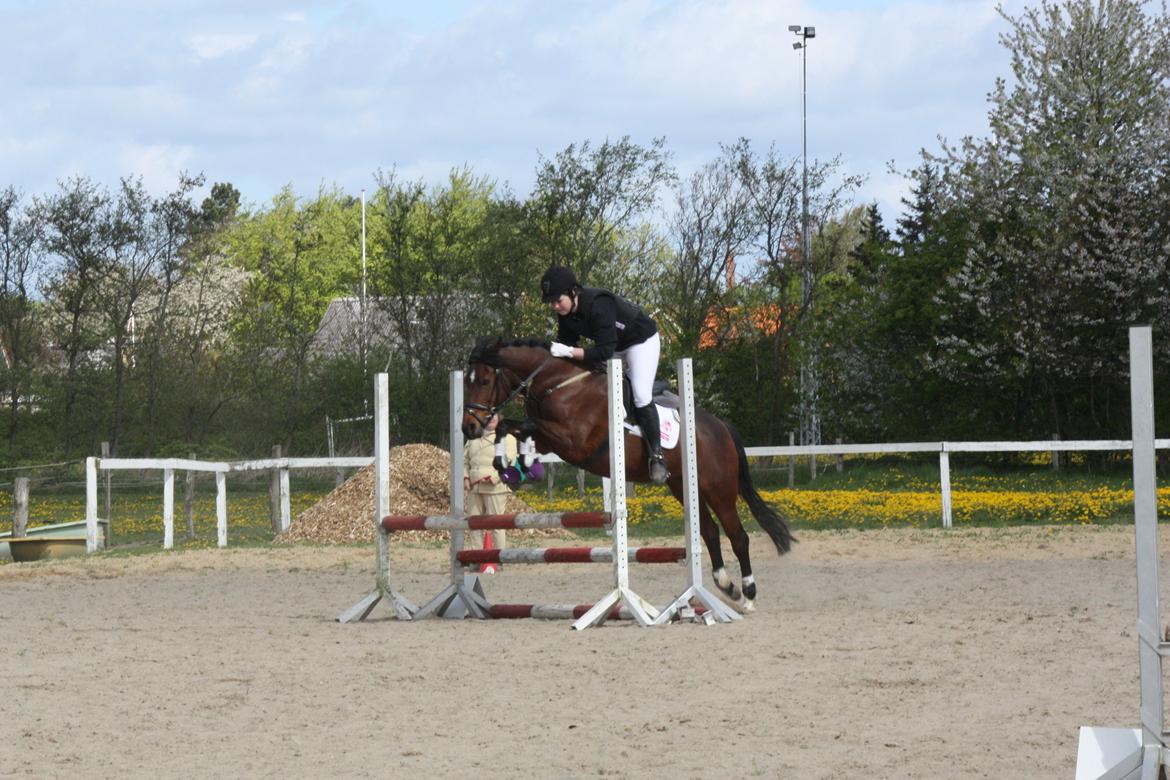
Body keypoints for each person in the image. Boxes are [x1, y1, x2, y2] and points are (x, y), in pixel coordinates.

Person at [539, 264, 669, 484]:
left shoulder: (599, 304)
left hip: (640, 341)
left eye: (557, 300)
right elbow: (567, 346)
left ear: (572, 292)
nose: (554, 306)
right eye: (551, 302)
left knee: (640, 394)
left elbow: (603, 352)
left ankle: (656, 457)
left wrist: (569, 351)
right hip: (615, 346)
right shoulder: (566, 314)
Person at [463, 412, 517, 573]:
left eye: (494, 416)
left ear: (499, 418)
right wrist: (465, 477)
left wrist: (496, 477)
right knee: (474, 525)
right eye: (488, 416)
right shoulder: (472, 438)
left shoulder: (507, 439)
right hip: (474, 487)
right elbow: (464, 460)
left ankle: (499, 559)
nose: (491, 419)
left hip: (495, 487)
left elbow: (510, 460)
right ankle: (476, 559)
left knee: (497, 525)